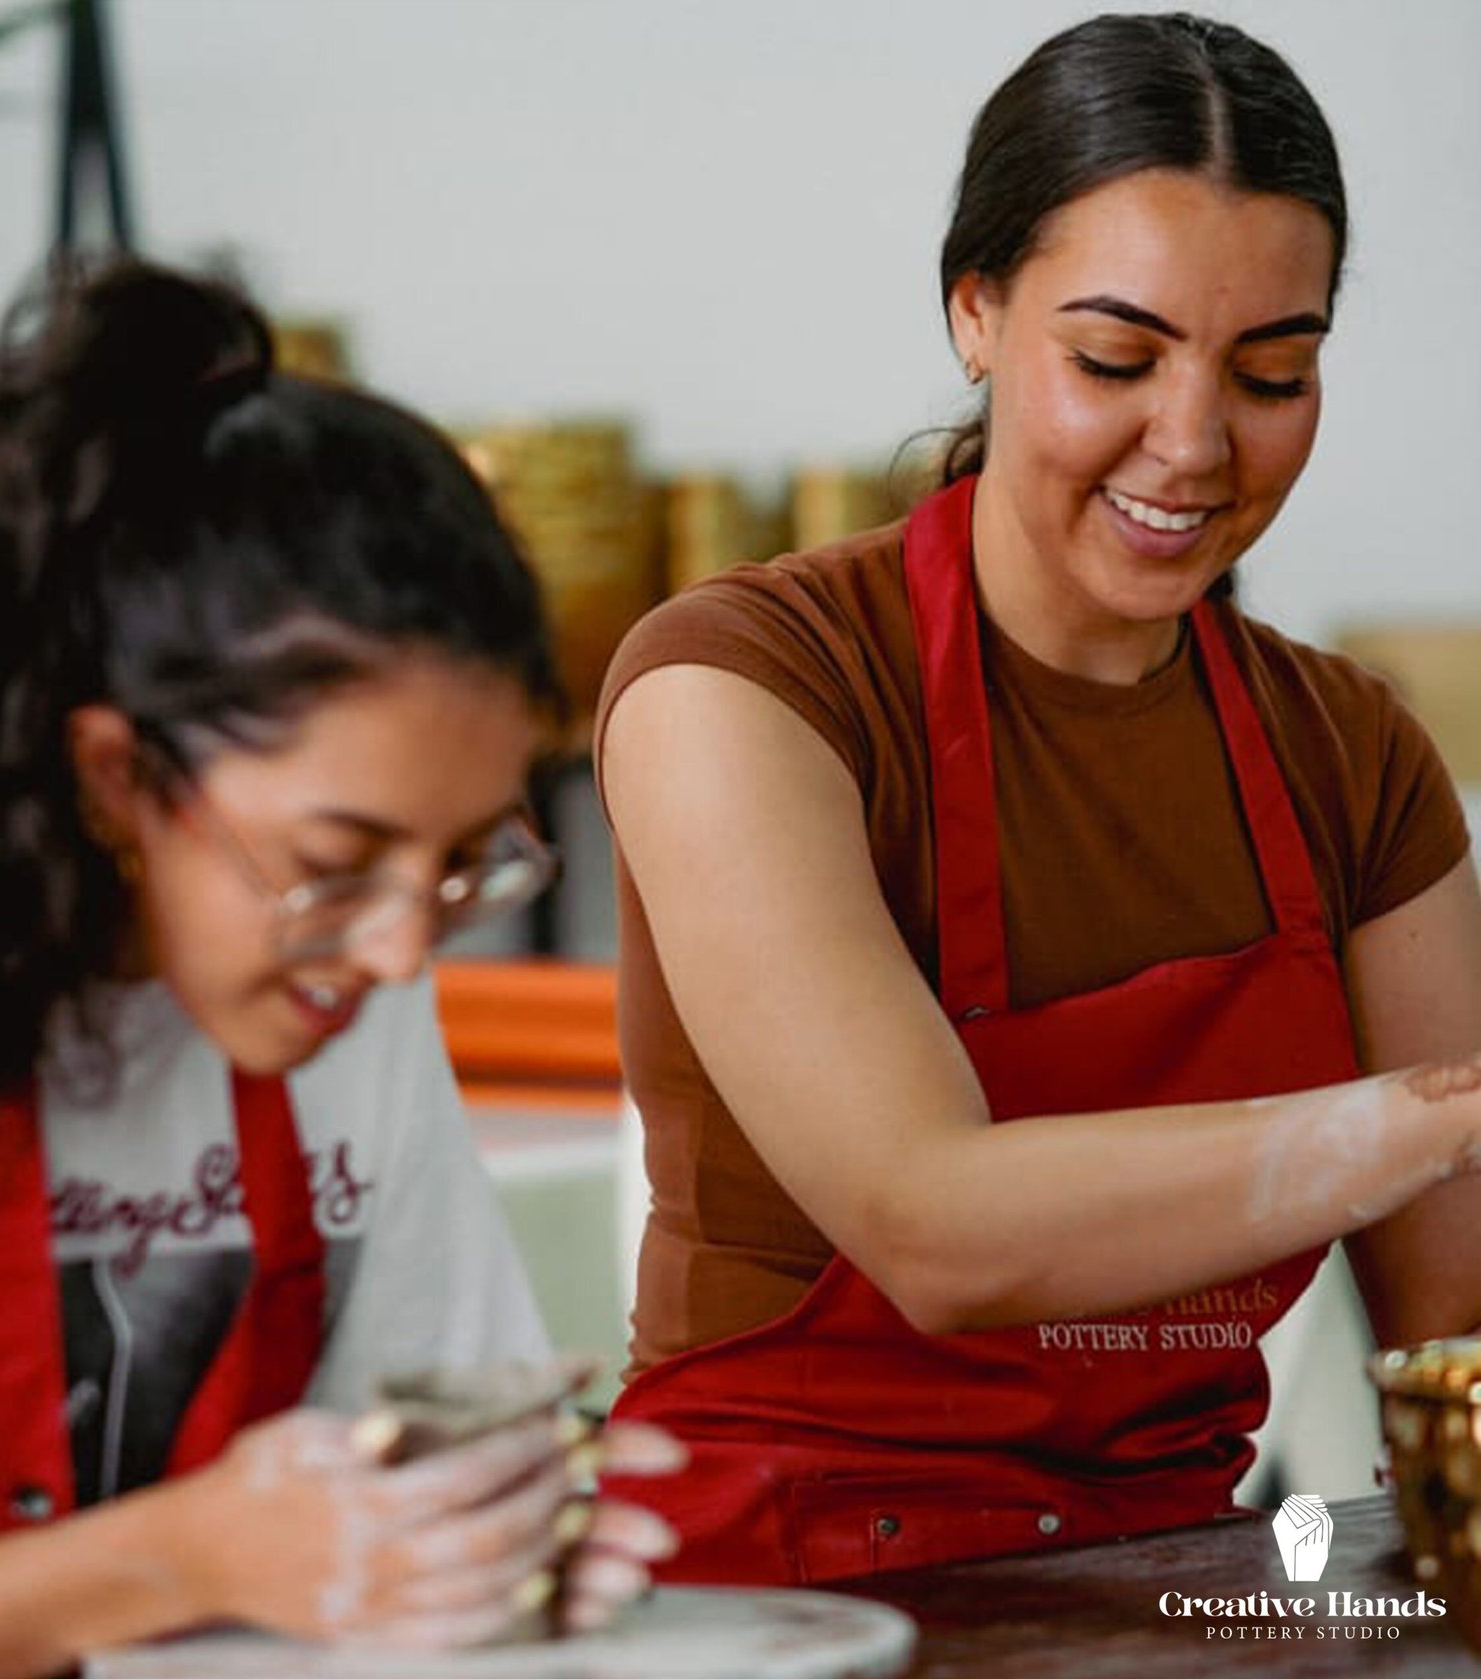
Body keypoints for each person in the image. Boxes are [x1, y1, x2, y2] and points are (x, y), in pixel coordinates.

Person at [595, 11, 1481, 1586]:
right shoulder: (744, 686)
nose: (1197, 444)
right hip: (783, 1596)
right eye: (1115, 359)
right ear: (978, 312)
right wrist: (1410, 1124)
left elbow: (1461, 1338)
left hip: (1177, 1580)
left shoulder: (1350, 755)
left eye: (1273, 371)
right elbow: (933, 1225)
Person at [0, 258, 682, 1679]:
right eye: (334, 859)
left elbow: (417, 1453)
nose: (394, 949)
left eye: (457, 864)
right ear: (117, 777)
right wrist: (186, 1557)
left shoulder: (354, 996)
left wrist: (494, 1544)